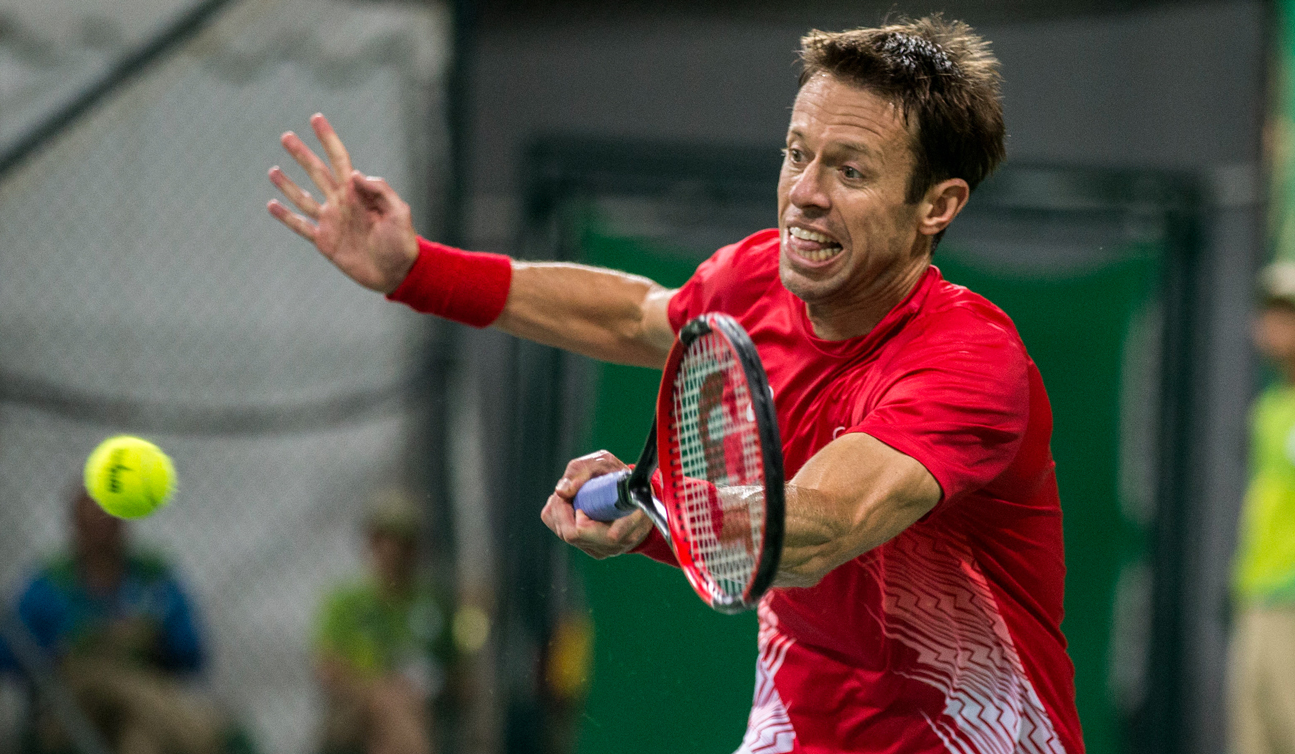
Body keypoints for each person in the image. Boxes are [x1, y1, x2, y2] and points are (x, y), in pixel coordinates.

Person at [267, 16, 1084, 753]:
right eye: (798, 154)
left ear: (937, 205)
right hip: (799, 726)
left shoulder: (970, 361)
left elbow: (823, 528)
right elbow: (632, 318)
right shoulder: (760, 276)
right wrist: (418, 271)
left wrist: (652, 500)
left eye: (851, 171)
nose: (805, 193)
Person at [0, 486, 227, 754]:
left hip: (139, 712)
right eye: (91, 523)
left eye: (108, 521)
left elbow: (192, 651)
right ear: (76, 526)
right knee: (106, 681)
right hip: (71, 712)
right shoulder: (51, 586)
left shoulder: (152, 580)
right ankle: (197, 732)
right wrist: (58, 648)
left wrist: (155, 638)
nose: (100, 533)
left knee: (140, 739)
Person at [312, 490, 453, 754]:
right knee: (392, 707)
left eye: (405, 541)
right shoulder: (345, 602)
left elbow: (458, 672)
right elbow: (326, 668)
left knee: (394, 724)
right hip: (355, 709)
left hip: (422, 708)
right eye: (385, 539)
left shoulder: (433, 604)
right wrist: (377, 690)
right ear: (371, 543)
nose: (395, 550)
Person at [1228, 261, 1295, 754]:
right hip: (1257, 598)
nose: (1275, 325)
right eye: (1271, 312)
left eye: (1288, 314)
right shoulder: (1269, 408)